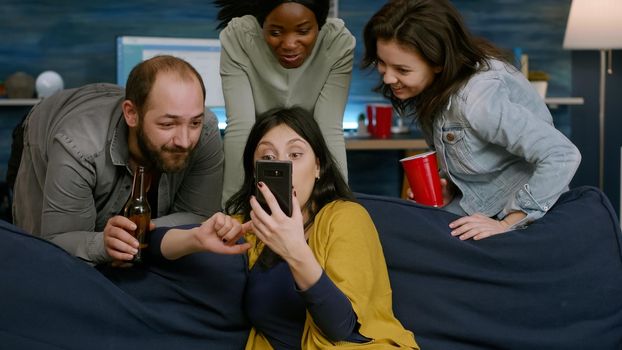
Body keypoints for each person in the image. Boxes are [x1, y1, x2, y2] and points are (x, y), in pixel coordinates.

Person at [362, 0, 581, 241]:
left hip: (517, 221)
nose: (389, 78)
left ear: (438, 63)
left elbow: (561, 155)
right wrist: (450, 187)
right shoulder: (439, 90)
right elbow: (475, 157)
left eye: (402, 70)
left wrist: (508, 222)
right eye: (382, 63)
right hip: (480, 208)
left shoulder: (477, 102)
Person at [218, 107, 416, 348]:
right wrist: (202, 235)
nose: (282, 166)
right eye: (268, 158)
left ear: (317, 167)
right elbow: (161, 244)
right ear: (255, 172)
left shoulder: (346, 217)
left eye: (295, 155)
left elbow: (341, 328)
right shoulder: (250, 229)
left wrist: (295, 251)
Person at [12, 55, 225, 265]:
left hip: (110, 111)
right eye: (168, 125)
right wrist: (102, 245)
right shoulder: (77, 146)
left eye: (194, 123)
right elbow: (58, 240)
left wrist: (135, 233)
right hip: (44, 128)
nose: (185, 141)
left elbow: (199, 215)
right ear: (131, 114)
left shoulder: (205, 130)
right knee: (36, 259)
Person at [214, 0, 355, 207]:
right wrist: (232, 210)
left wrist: (339, 207)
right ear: (262, 25)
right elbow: (240, 127)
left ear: (320, 25)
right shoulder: (239, 39)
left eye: (303, 31)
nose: (289, 44)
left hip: (305, 150)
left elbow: (329, 129)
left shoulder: (337, 43)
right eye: (276, 32)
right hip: (259, 151)